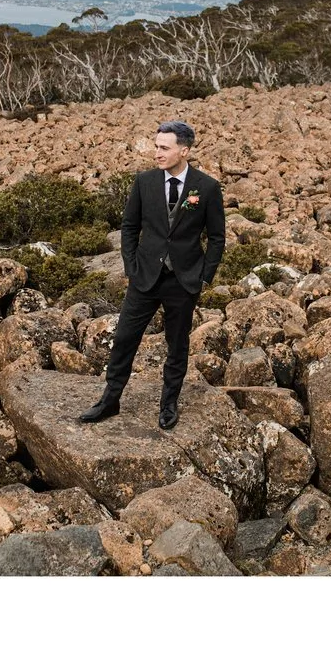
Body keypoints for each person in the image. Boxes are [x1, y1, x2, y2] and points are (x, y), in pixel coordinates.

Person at [77, 118, 225, 431]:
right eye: (156, 146)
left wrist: (204, 276)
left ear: (183, 151)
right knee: (124, 339)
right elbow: (130, 227)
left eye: (164, 147)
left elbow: (217, 237)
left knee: (177, 345)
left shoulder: (208, 187)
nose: (156, 152)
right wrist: (131, 267)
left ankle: (168, 403)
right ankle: (110, 399)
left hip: (184, 281)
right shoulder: (144, 182)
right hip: (144, 277)